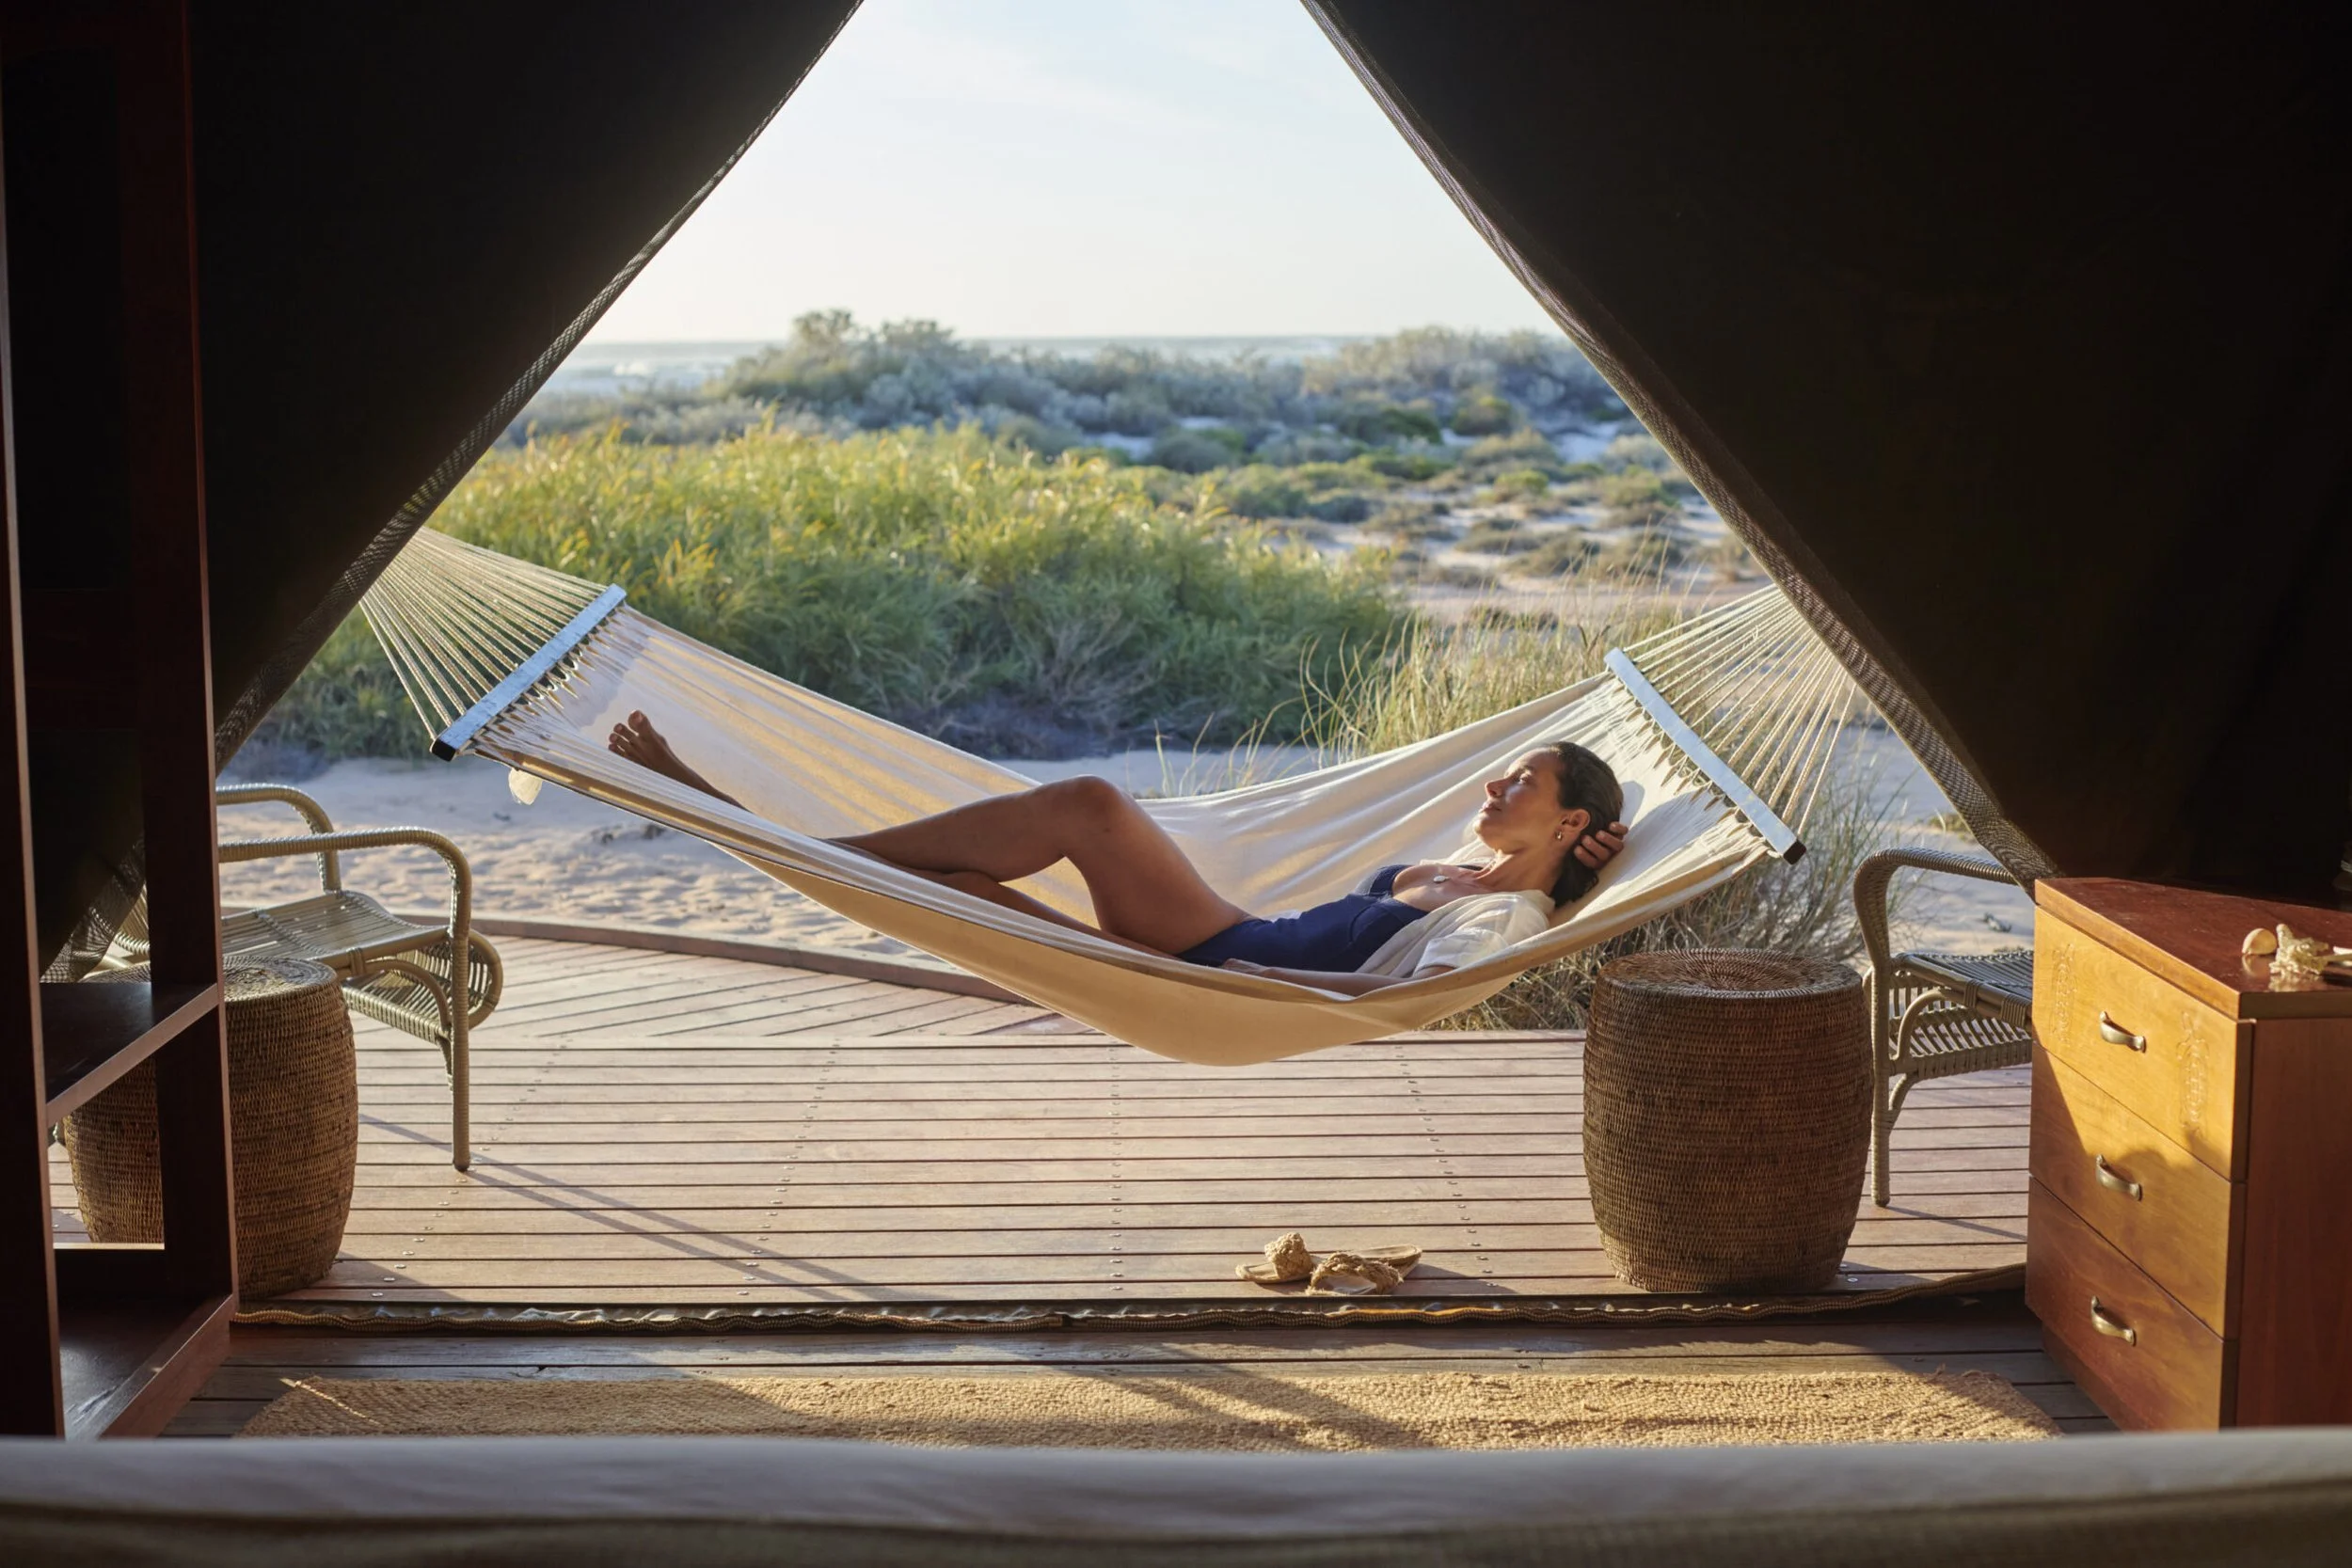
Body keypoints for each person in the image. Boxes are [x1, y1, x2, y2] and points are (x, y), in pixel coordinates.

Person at [607, 712, 1628, 995]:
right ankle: (755, 831)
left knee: (1091, 802)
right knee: (962, 888)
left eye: (1520, 782)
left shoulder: (1502, 914)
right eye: (1498, 775)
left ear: (1570, 823)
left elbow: (1397, 1000)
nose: (1492, 788)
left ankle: (746, 824)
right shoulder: (1461, 867)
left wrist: (1262, 986)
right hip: (1211, 944)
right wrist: (1591, 848)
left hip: (1218, 961)